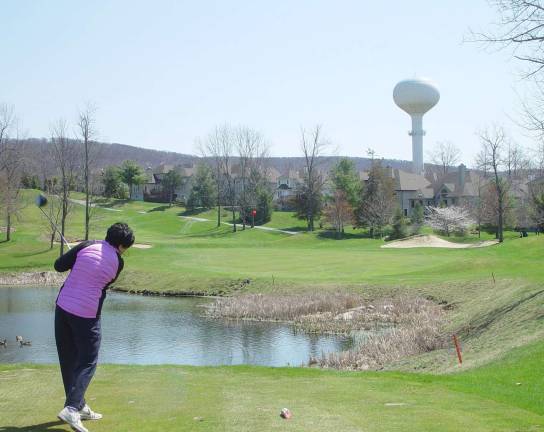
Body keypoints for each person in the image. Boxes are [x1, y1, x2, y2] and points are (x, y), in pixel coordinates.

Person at [53, 223, 134, 432]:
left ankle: (79, 406)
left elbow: (58, 266)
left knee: (69, 359)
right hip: (86, 315)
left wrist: (76, 258)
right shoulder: (118, 262)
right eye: (126, 247)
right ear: (121, 246)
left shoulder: (86, 245)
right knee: (88, 360)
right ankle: (72, 408)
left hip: (62, 308)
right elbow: (103, 285)